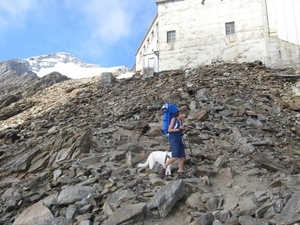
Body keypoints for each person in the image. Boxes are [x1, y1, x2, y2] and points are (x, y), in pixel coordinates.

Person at [159, 109, 189, 179]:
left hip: (179, 138)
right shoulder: (174, 119)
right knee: (175, 156)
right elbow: (170, 130)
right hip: (174, 138)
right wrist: (179, 128)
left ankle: (180, 172)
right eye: (182, 115)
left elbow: (180, 131)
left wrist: (184, 129)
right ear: (179, 114)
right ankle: (164, 167)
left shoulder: (181, 121)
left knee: (182, 156)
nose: (183, 116)